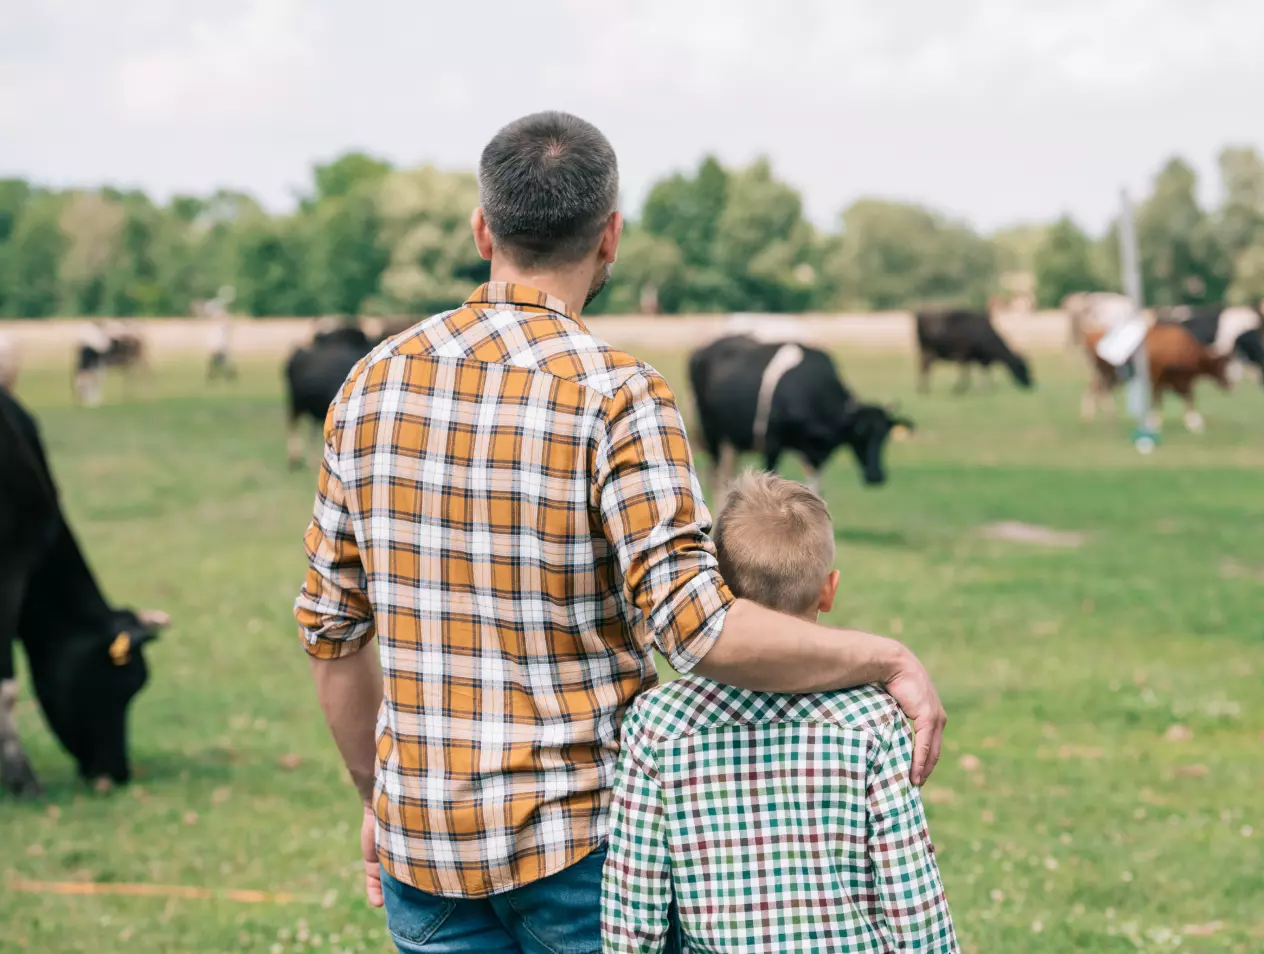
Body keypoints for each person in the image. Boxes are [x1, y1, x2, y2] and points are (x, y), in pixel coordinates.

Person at [295, 111, 946, 954]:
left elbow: (330, 632)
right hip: (589, 856)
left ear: (482, 228)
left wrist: (377, 798)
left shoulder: (369, 385)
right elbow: (697, 626)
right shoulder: (620, 395)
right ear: (612, 236)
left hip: (426, 852)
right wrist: (886, 657)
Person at [602, 472, 959, 952]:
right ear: (828, 591)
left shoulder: (657, 723)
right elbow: (911, 897)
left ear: (718, 590)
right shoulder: (874, 721)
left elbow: (635, 899)